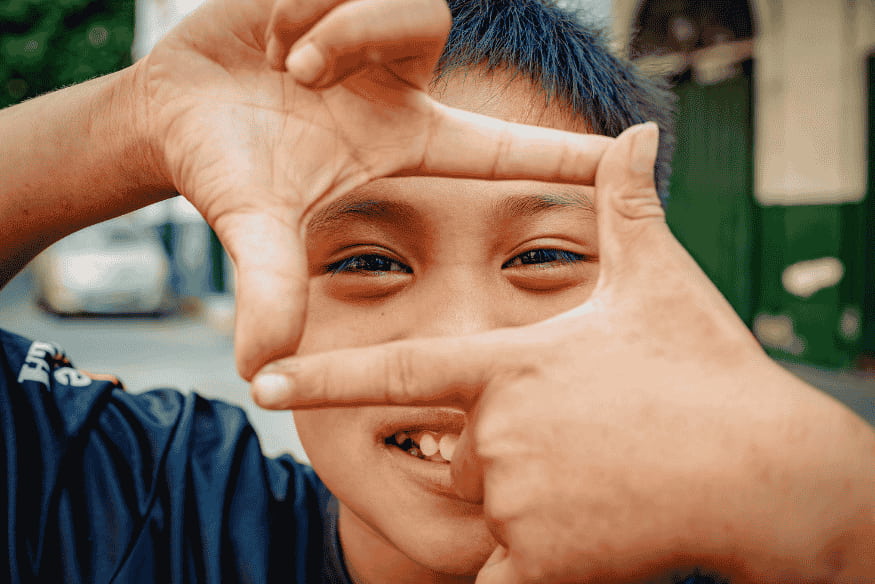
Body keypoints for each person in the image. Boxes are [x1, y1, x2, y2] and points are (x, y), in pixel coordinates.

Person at [1, 2, 872, 584]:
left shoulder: (780, 547)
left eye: (541, 257)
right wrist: (137, 122)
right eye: (369, 262)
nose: (462, 346)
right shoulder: (144, 511)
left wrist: (834, 522)